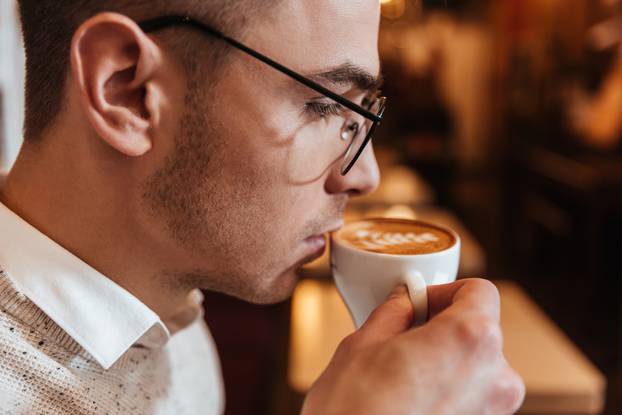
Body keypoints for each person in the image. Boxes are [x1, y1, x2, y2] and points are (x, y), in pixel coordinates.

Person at [0, 0, 524, 413]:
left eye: (364, 115)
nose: (364, 175)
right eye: (325, 106)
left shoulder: (178, 324)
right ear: (128, 91)